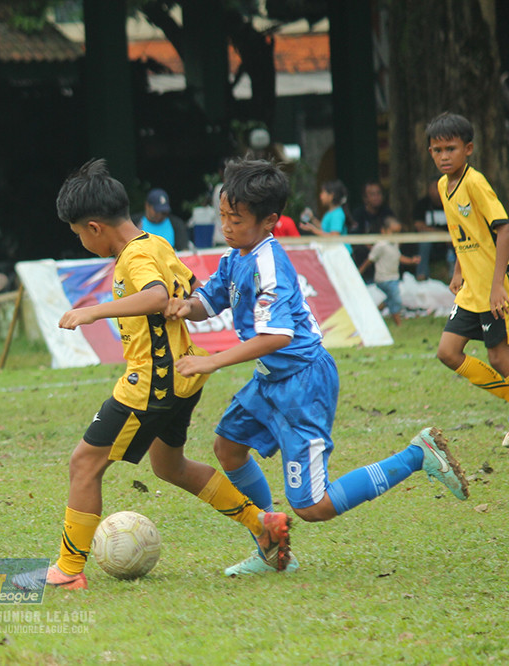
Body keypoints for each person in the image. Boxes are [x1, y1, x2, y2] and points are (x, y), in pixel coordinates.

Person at [163, 158, 469, 576]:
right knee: (228, 447)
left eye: (236, 218)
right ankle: (270, 545)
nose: (226, 226)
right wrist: (187, 307)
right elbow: (210, 300)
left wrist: (211, 361)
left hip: (303, 383)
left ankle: (417, 455)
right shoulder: (236, 256)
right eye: (223, 216)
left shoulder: (270, 263)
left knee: (312, 506)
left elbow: (277, 337)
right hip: (270, 379)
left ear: (270, 220)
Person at [11, 159, 291, 592]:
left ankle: (68, 569)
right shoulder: (156, 243)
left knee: (84, 463)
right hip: (182, 377)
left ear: (94, 227)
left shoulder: (135, 256)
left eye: (79, 235)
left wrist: (93, 311)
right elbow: (185, 290)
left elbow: (157, 295)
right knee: (169, 466)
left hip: (152, 382)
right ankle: (262, 522)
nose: (83, 242)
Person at [426, 112, 509, 408]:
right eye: (438, 150)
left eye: (451, 149)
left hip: (492, 288)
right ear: (430, 152)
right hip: (470, 289)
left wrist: (498, 284)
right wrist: (458, 270)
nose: (444, 156)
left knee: (499, 357)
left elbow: (504, 227)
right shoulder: (442, 186)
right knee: (447, 352)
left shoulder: (475, 183)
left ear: (468, 149)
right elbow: (461, 230)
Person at [358, 217, 421, 326]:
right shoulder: (381, 245)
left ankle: (375, 314)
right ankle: (398, 323)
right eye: (393, 232)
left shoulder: (394, 244)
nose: (395, 236)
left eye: (397, 233)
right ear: (384, 231)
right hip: (384, 278)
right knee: (396, 299)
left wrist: (411, 261)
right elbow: (370, 260)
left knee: (391, 298)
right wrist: (360, 271)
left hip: (393, 277)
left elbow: (398, 257)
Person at [350, 182, 397, 274]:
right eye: (372, 194)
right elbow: (355, 237)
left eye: (379, 193)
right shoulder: (358, 214)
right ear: (365, 198)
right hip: (366, 249)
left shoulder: (387, 212)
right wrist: (371, 246)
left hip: (384, 247)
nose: (376, 197)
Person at [299, 180, 353, 254]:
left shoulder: (337, 214)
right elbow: (325, 228)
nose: (320, 196)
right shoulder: (330, 213)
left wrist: (314, 230)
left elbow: (334, 236)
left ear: (331, 196)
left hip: (341, 255)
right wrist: (312, 219)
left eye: (323, 192)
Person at [412, 177, 450, 281]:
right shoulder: (422, 204)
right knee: (424, 242)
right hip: (430, 240)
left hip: (450, 240)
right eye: (435, 187)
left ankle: (456, 275)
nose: (438, 191)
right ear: (429, 189)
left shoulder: (451, 203)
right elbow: (419, 225)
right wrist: (440, 234)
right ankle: (422, 274)